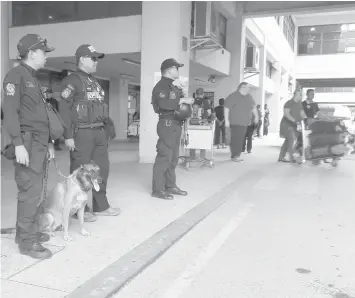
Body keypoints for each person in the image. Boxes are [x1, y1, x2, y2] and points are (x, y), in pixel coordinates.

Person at [2, 34, 55, 259]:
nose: (46, 56)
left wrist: (51, 143)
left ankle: (26, 232)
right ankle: (27, 242)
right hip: (28, 144)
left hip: (40, 144)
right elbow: (10, 113)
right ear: (32, 53)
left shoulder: (31, 77)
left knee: (34, 192)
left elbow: (41, 116)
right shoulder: (16, 76)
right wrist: (18, 144)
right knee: (29, 193)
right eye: (44, 52)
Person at [58, 44, 120, 222]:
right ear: (82, 59)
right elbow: (64, 110)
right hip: (81, 133)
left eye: (97, 59)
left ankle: (101, 206)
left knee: (102, 170)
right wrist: (68, 135)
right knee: (80, 172)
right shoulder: (71, 81)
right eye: (93, 58)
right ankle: (79, 210)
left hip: (98, 132)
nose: (96, 62)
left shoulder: (94, 81)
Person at [151, 58, 194, 200]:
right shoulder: (161, 86)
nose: (178, 71)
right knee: (164, 156)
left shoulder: (173, 86)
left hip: (176, 124)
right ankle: (158, 189)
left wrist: (184, 95)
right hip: (167, 124)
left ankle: (170, 185)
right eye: (177, 68)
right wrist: (182, 100)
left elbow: (180, 102)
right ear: (169, 70)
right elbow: (164, 104)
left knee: (173, 157)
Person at [225, 82, 258, 162]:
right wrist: (226, 120)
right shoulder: (233, 96)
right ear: (242, 87)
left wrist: (256, 116)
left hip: (245, 122)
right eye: (248, 87)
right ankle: (235, 156)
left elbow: (253, 107)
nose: (249, 89)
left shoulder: (249, 97)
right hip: (235, 122)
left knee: (240, 139)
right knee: (236, 139)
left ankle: (235, 155)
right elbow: (226, 108)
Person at [278, 89, 306, 163]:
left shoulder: (299, 104)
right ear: (295, 94)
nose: (301, 96)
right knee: (291, 138)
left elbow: (302, 114)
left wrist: (306, 119)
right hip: (287, 124)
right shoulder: (289, 103)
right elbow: (287, 114)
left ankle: (281, 157)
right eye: (300, 95)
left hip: (296, 125)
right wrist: (295, 121)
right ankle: (290, 157)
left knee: (288, 141)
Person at [189, 88, 214, 159]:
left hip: (192, 123)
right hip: (202, 123)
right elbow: (209, 112)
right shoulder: (205, 101)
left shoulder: (192, 101)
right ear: (203, 94)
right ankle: (202, 157)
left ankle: (192, 156)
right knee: (203, 139)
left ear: (196, 94)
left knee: (192, 140)